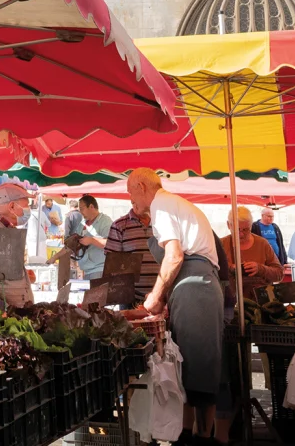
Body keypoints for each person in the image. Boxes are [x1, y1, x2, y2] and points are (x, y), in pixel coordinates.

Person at [126, 168, 221, 443]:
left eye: (131, 192)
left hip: (195, 286)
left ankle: (201, 438)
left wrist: (155, 297)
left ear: (142, 186)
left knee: (198, 368)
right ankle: (191, 434)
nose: (130, 199)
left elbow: (175, 256)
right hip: (193, 286)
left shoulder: (163, 205)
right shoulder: (173, 205)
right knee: (192, 366)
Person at [220, 207, 284, 302]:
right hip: (230, 303)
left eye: (246, 230)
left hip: (261, 303)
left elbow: (279, 274)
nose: (241, 234)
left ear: (251, 226)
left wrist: (260, 269)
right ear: (229, 225)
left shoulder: (262, 244)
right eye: (237, 230)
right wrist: (230, 268)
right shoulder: (221, 245)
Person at [103, 198, 162, 300]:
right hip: (131, 297)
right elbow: (112, 263)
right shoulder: (119, 225)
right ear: (133, 202)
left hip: (162, 294)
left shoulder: (163, 223)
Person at [65, 195, 112, 282]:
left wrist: (92, 240)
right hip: (86, 271)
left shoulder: (105, 221)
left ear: (91, 206)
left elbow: (111, 243)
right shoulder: (82, 223)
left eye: (82, 208)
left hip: (100, 270)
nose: (80, 212)